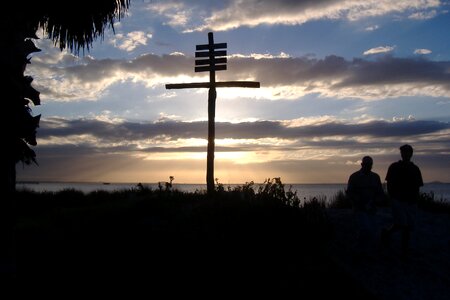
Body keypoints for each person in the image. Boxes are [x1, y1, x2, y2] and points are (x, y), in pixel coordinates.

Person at [381, 144, 423, 256]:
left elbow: (418, 186)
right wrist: (392, 199)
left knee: (406, 225)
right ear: (401, 154)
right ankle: (404, 249)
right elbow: (389, 184)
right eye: (404, 152)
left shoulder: (415, 169)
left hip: (411, 201)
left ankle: (387, 233)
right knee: (403, 225)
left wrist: (416, 201)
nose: (405, 154)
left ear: (411, 154)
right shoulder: (394, 167)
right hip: (398, 200)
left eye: (408, 152)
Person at [347, 156, 385, 251]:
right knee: (365, 229)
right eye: (366, 164)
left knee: (372, 231)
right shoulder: (354, 177)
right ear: (362, 164)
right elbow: (350, 193)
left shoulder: (376, 177)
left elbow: (380, 193)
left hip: (372, 209)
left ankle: (365, 250)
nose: (368, 167)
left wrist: (375, 201)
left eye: (370, 165)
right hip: (359, 209)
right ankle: (359, 249)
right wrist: (360, 203)